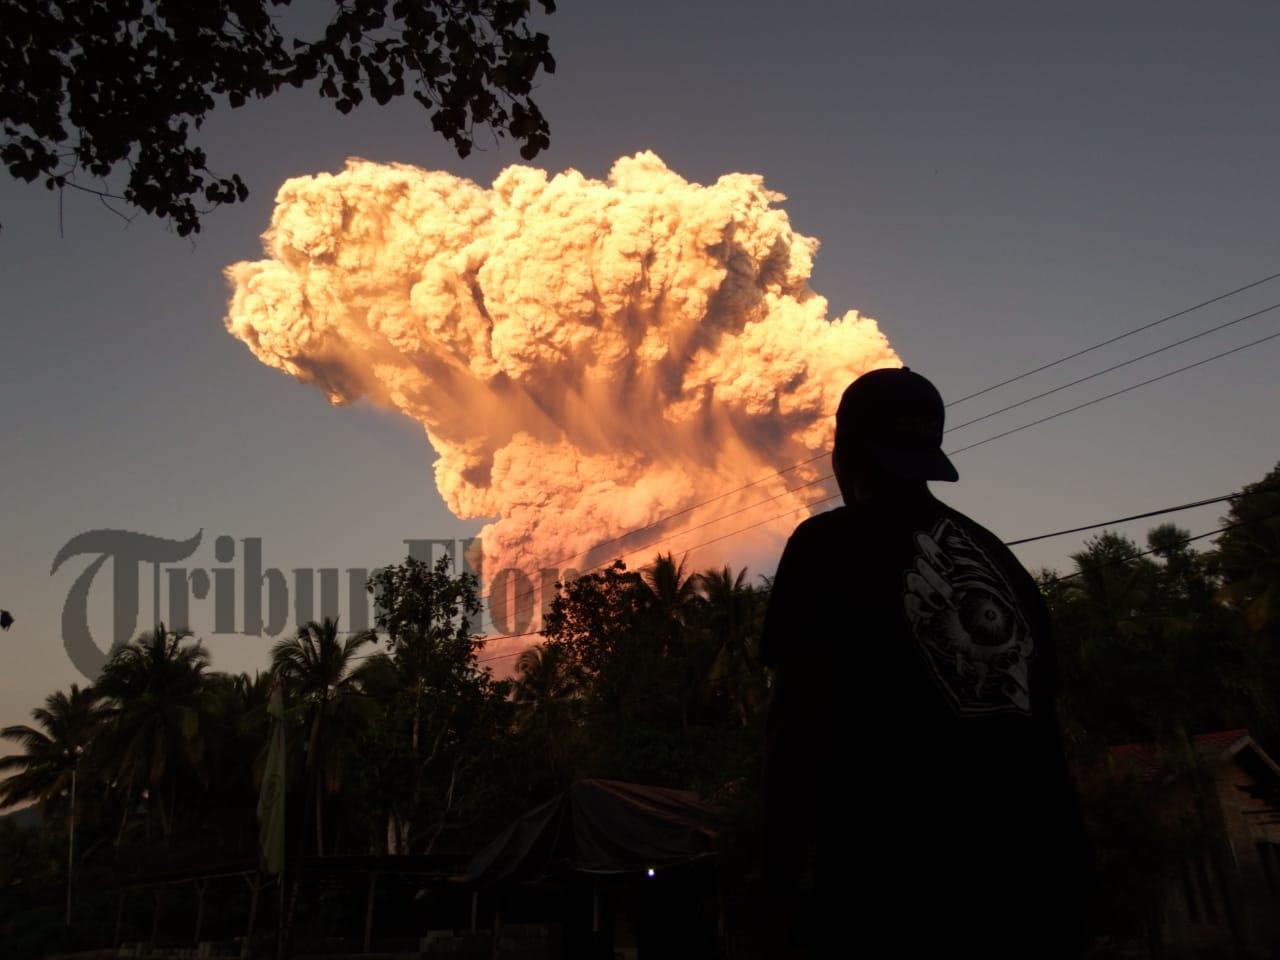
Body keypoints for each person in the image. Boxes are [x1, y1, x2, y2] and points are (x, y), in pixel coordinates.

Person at [760, 367, 1091, 958]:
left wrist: (777, 892)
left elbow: (797, 729)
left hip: (896, 897)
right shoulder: (1006, 567)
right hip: (1036, 896)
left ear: (845, 450)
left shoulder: (827, 546)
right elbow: (1047, 735)